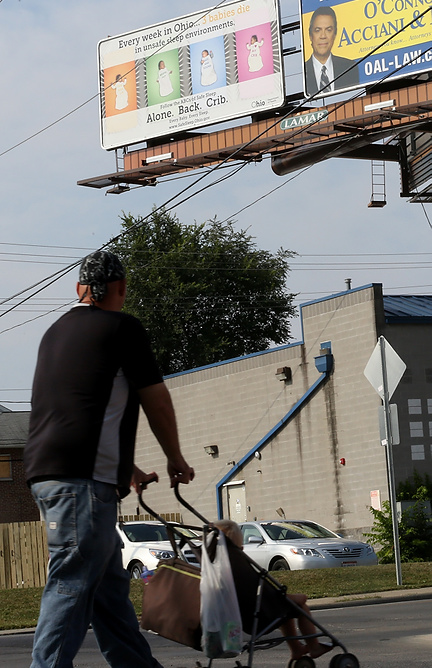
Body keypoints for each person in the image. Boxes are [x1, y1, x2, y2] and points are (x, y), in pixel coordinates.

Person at [24, 250, 194, 668]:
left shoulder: (55, 333)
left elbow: (76, 410)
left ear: (79, 289)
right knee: (71, 582)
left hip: (47, 475)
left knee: (107, 589)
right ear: (118, 289)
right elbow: (156, 400)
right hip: (82, 482)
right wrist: (175, 457)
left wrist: (126, 468)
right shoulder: (122, 328)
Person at [214, 520, 331, 662]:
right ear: (238, 544)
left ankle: (296, 650)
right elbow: (264, 591)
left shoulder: (218, 569)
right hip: (258, 617)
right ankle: (314, 647)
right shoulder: (240, 566)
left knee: (285, 610)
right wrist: (290, 596)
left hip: (239, 617)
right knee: (300, 604)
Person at [304, 6, 359, 97]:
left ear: (335, 34)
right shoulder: (302, 74)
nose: (323, 36)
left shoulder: (350, 68)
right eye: (318, 30)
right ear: (310, 35)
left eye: (328, 30)